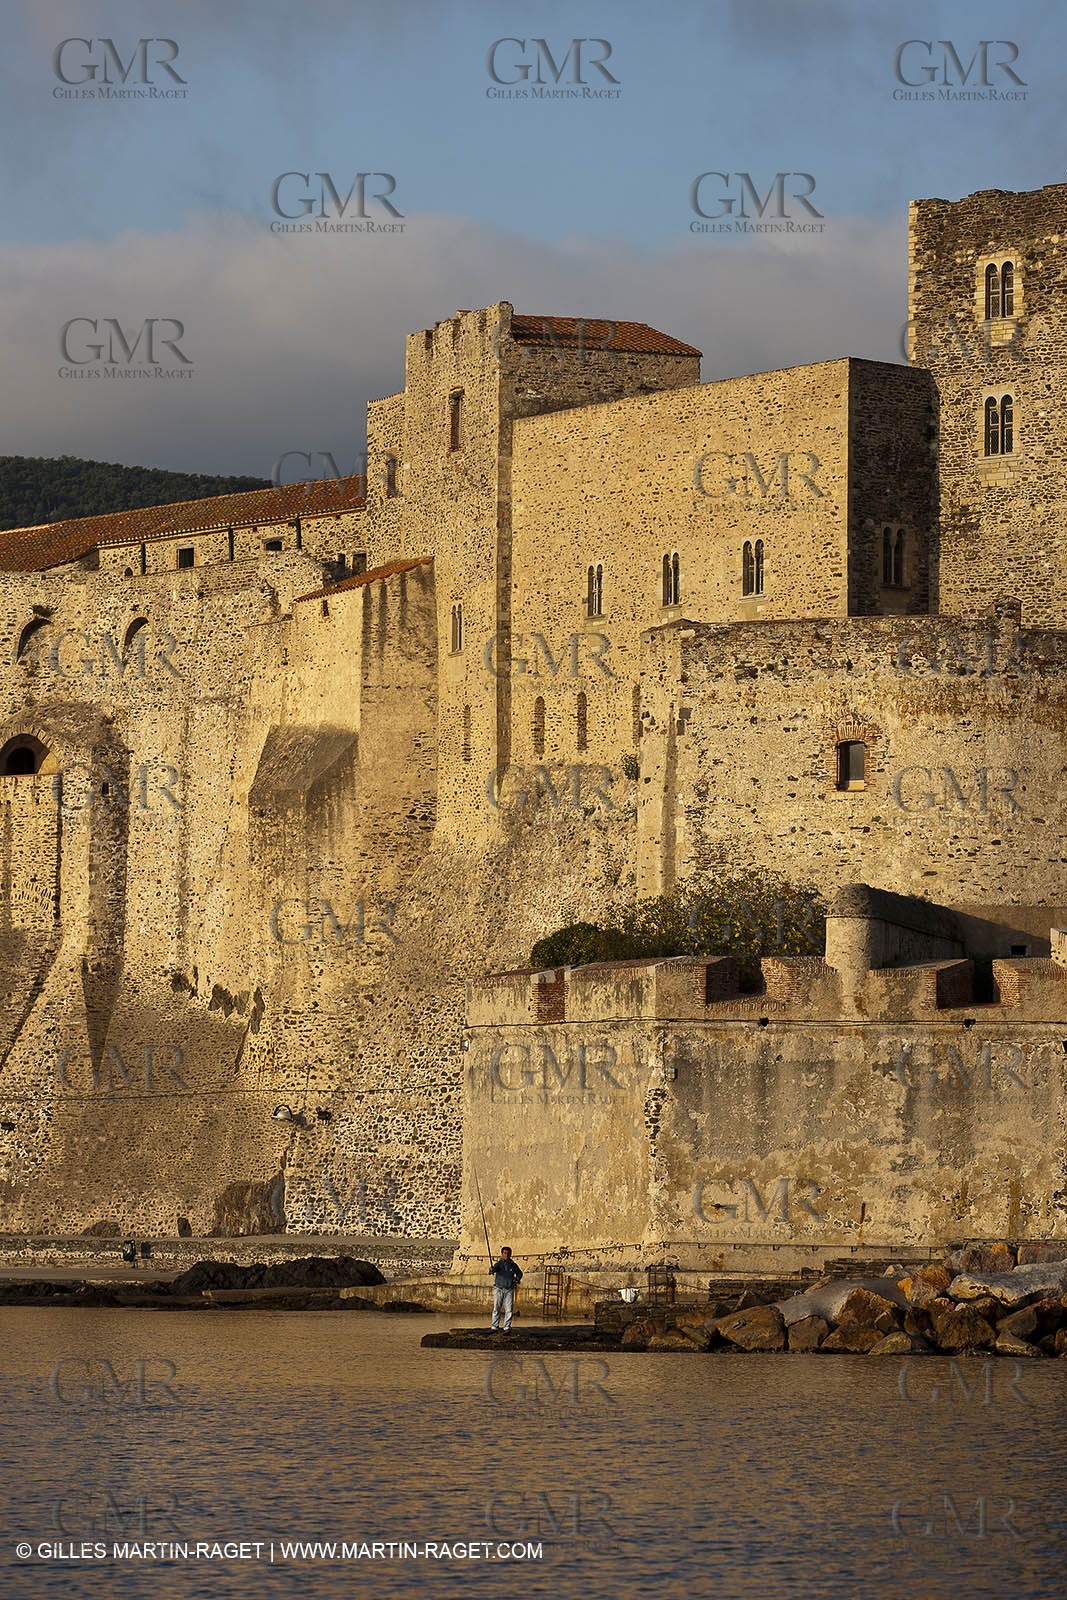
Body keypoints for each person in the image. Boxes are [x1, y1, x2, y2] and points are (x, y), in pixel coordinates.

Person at [489, 1246, 523, 1332]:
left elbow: (520, 1273)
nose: (506, 1255)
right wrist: (491, 1270)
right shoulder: (499, 1264)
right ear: (502, 1254)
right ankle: (494, 1327)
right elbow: (494, 1269)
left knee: (509, 1309)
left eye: (508, 1253)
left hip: (509, 1289)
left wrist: (517, 1279)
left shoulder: (513, 1265)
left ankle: (507, 1327)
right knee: (496, 1308)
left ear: (510, 1254)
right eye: (504, 1253)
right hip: (498, 1288)